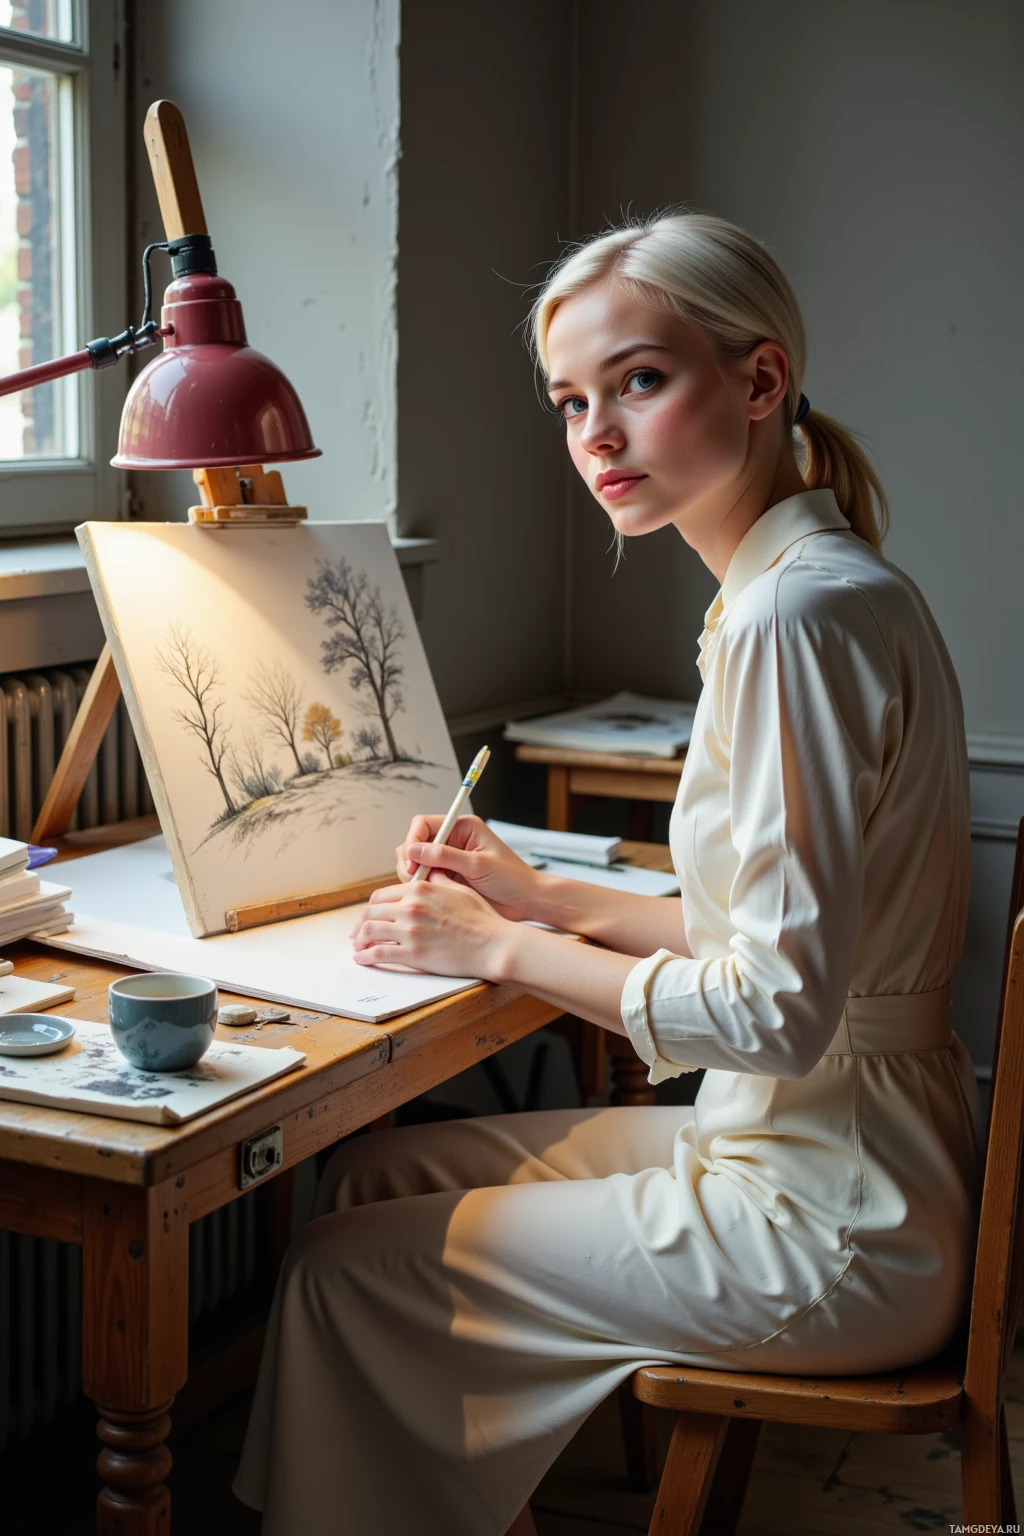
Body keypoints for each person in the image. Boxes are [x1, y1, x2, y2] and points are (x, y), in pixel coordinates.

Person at [234, 213, 979, 1536]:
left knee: (343, 1269)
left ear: (760, 381)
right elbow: (767, 934)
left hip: (836, 1213)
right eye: (573, 400)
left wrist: (496, 949)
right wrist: (542, 894)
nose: (597, 434)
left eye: (639, 380)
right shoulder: (806, 587)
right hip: (825, 1150)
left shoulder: (793, 617)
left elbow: (778, 1010)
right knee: (371, 1185)